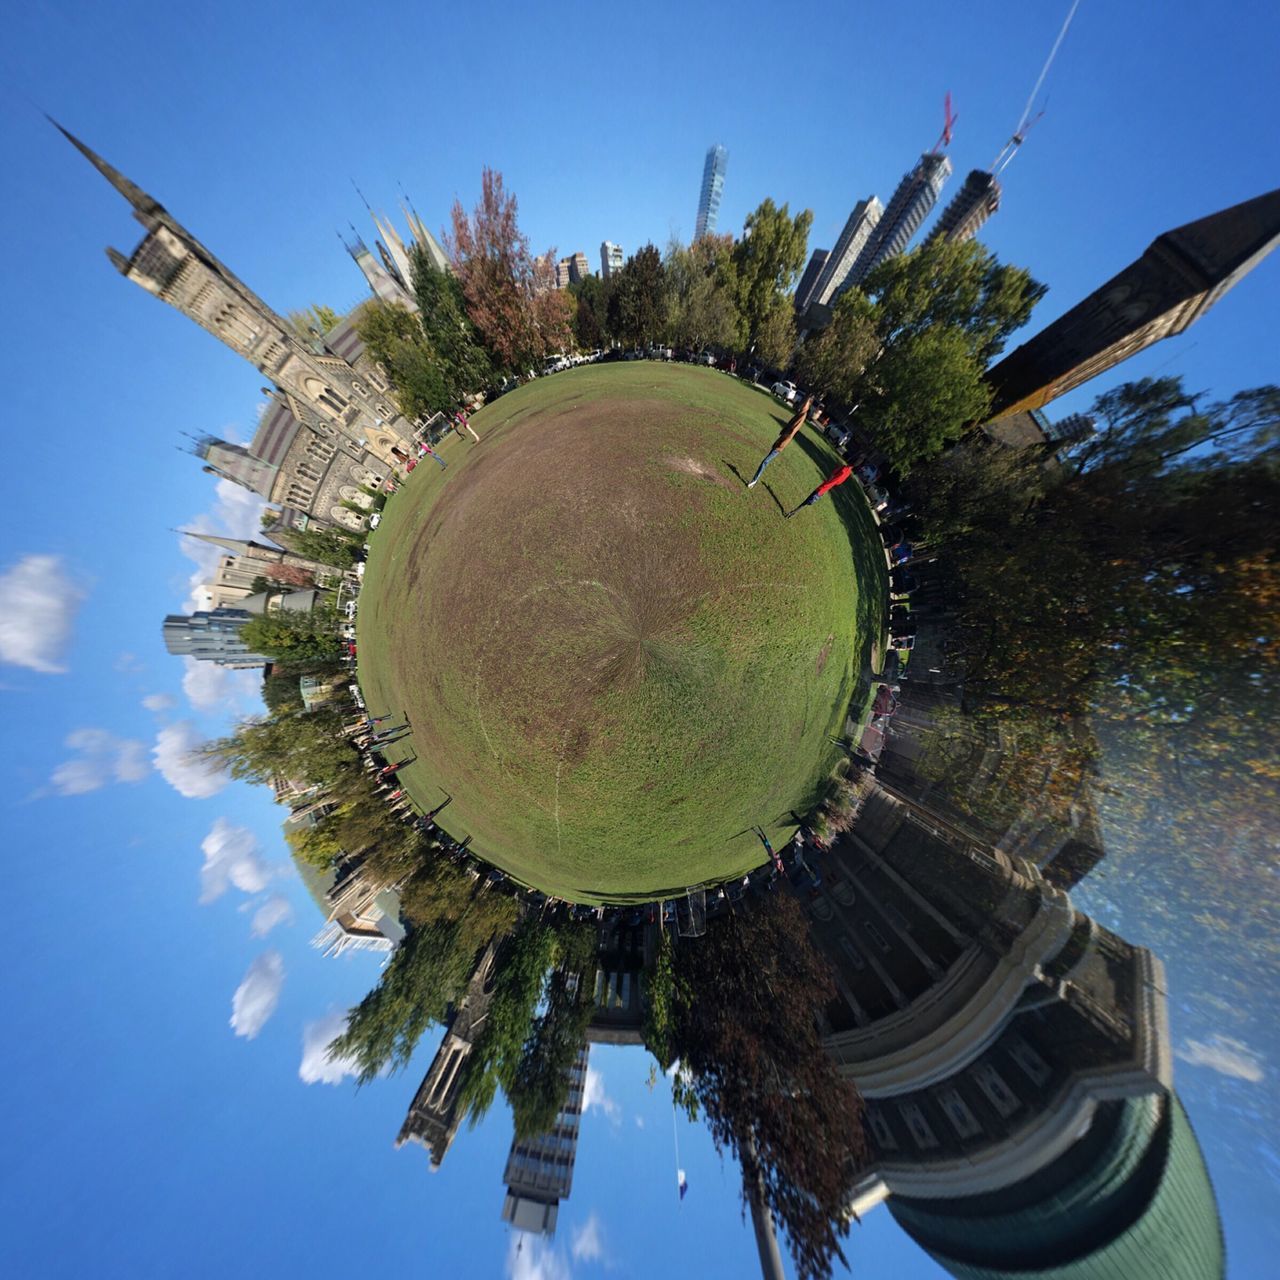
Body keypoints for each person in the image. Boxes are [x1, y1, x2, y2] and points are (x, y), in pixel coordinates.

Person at [746, 394, 813, 488]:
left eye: (805, 403)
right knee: (765, 461)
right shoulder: (800, 414)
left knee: (765, 462)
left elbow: (792, 432)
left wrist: (781, 443)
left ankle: (754, 481)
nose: (802, 404)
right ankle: (754, 480)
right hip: (780, 440)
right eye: (803, 402)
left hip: (782, 443)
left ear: (809, 405)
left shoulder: (802, 416)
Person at [785, 463, 854, 518]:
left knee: (806, 501)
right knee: (806, 502)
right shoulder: (848, 472)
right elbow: (838, 483)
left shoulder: (844, 468)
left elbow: (834, 474)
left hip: (822, 488)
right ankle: (793, 512)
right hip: (823, 491)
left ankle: (793, 512)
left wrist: (831, 478)